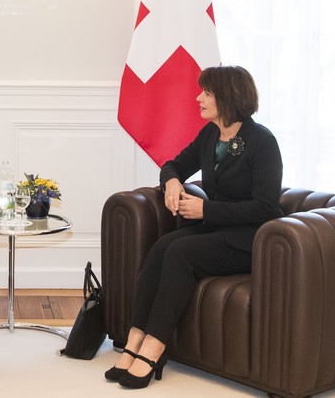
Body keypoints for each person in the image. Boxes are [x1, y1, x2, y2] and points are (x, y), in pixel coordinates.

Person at [105, 65, 283, 389]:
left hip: (250, 238)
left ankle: (155, 348)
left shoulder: (262, 142)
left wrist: (207, 209)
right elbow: (174, 164)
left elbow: (266, 208)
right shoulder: (210, 135)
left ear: (227, 97)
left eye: (207, 92)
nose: (198, 97)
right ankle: (134, 341)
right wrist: (172, 181)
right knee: (161, 247)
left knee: (181, 252)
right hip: (217, 229)